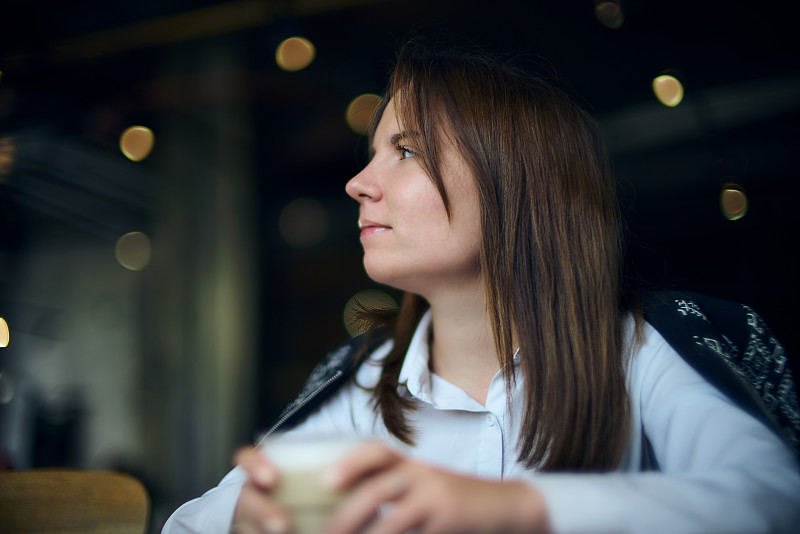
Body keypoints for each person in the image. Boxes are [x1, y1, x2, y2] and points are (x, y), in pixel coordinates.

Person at [162, 40, 800, 534]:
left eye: (406, 150)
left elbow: (773, 500)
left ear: (515, 185)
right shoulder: (359, 379)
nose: (359, 182)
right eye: (373, 151)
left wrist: (509, 509)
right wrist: (248, 523)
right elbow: (193, 525)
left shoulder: (646, 346)